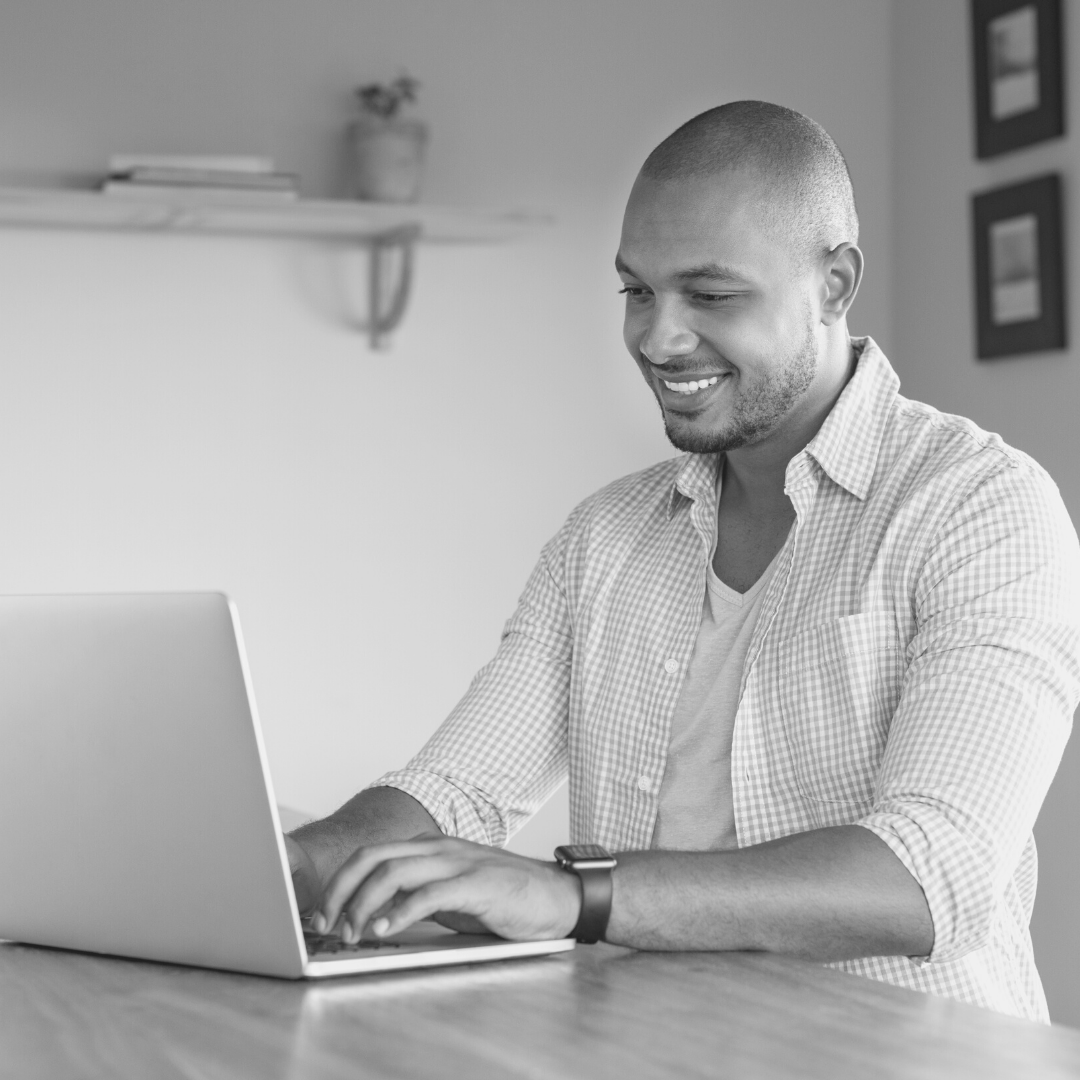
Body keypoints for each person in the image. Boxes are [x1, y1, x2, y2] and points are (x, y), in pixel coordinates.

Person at [286, 101, 1080, 1021]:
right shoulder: (605, 538)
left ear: (834, 283)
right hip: (653, 1050)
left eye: (710, 295)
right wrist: (290, 865)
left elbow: (932, 873)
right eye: (637, 291)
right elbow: (456, 792)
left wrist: (574, 895)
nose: (659, 339)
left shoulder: (978, 507)